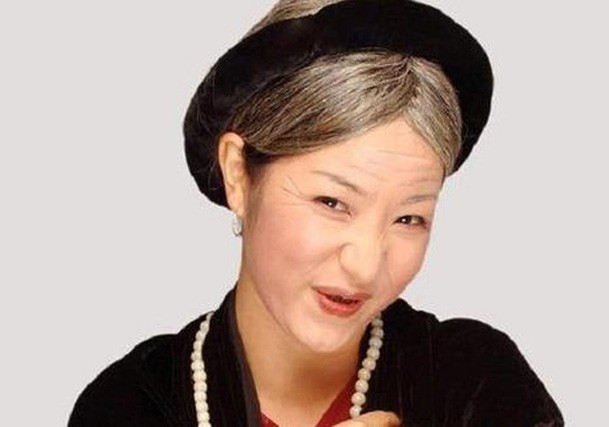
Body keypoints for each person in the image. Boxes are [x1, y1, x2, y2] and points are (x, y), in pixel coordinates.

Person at [69, 0, 564, 426]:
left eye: (408, 219)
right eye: (332, 203)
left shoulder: (476, 382)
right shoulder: (133, 403)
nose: (365, 265)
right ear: (238, 173)